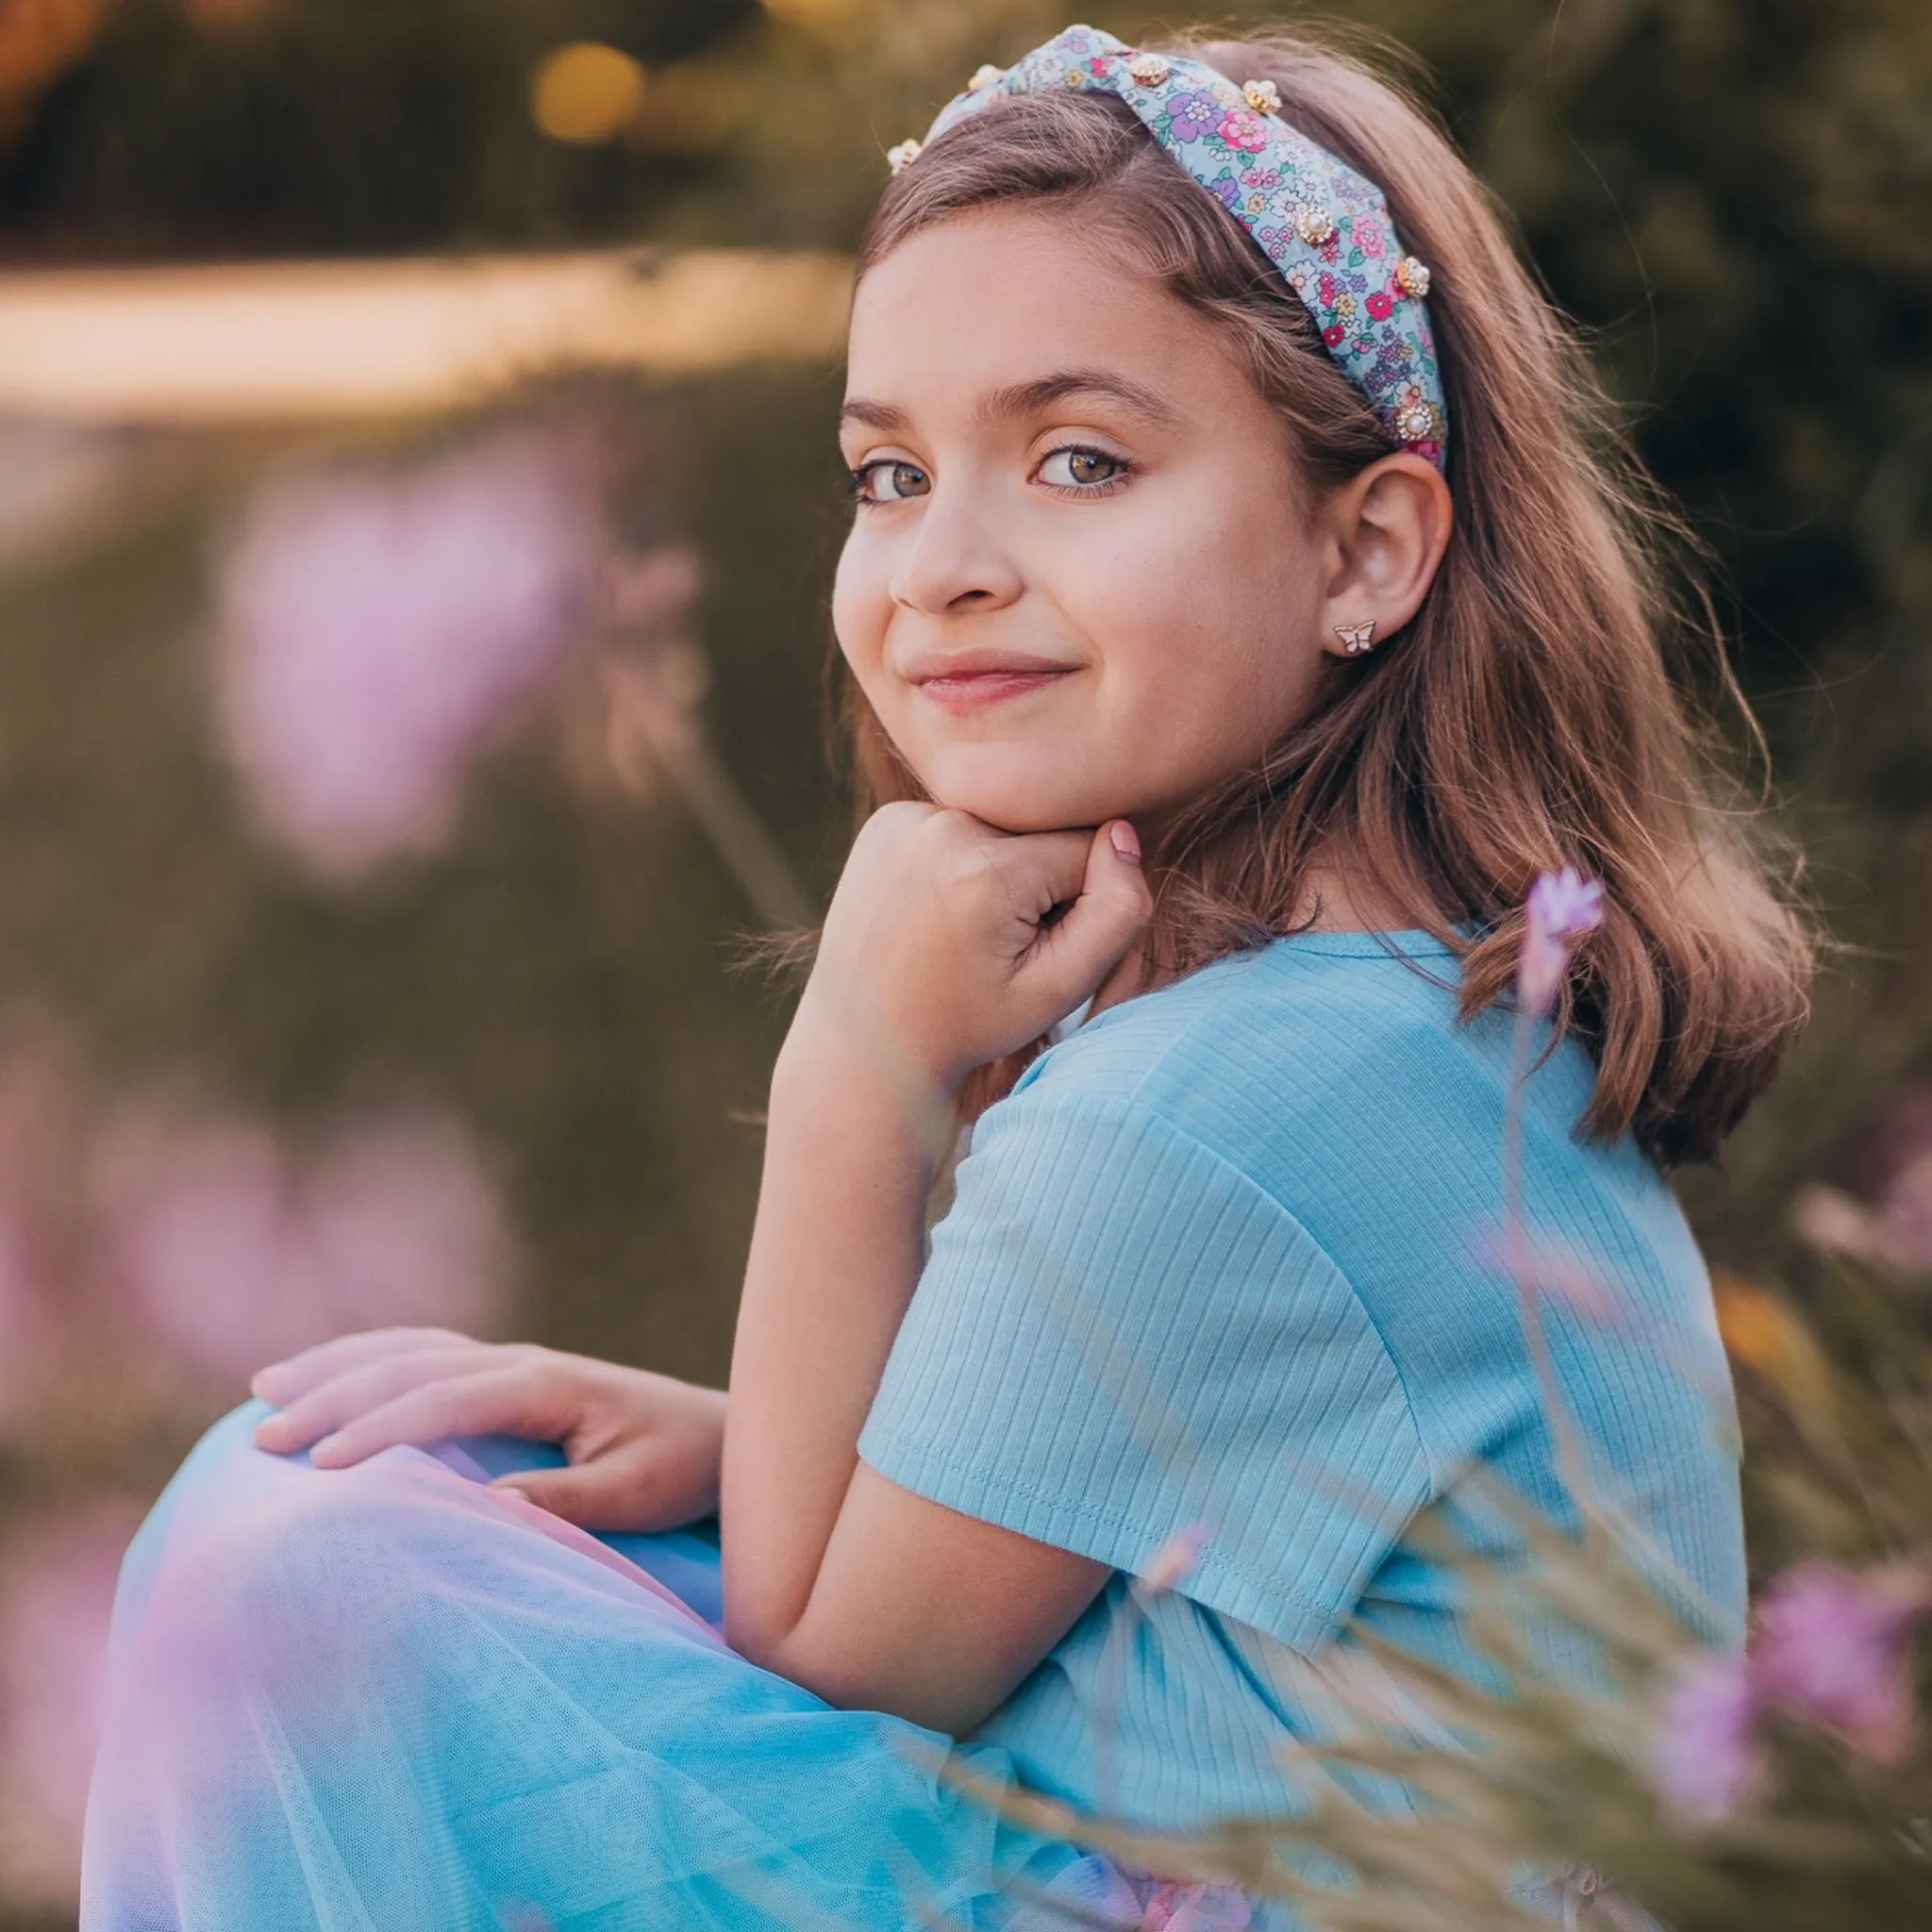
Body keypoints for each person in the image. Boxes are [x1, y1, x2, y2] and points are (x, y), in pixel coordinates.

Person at [80, 23, 1812, 1932]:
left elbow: (830, 1663)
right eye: (887, 473)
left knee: (297, 1575)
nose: (941, 566)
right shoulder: (1378, 1017)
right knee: (420, 1493)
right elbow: (1177, 1574)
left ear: (1368, 547)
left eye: (1078, 460)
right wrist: (747, 1450)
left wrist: (856, 1065)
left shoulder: (1211, 1109)